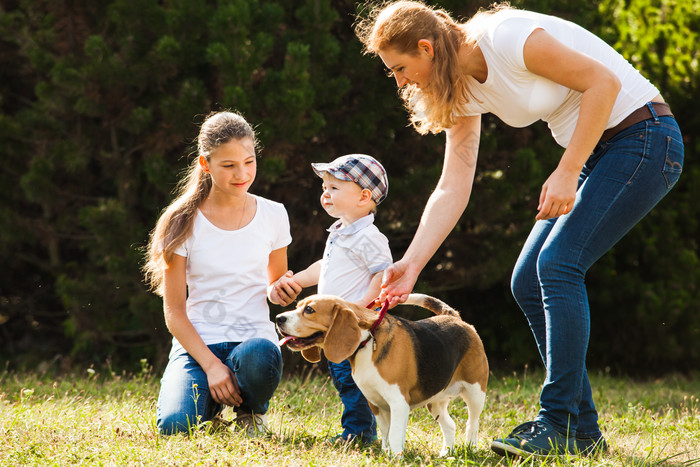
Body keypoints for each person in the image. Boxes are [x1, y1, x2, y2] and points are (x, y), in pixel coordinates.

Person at [355, 0, 684, 458]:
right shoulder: (460, 86)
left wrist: (568, 171)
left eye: (400, 68)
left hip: (645, 137)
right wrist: (412, 263)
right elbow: (454, 182)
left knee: (558, 265)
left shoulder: (508, 37)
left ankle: (557, 421)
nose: (401, 81)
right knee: (528, 278)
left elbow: (603, 83)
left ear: (427, 48)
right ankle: (582, 430)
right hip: (600, 151)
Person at [143, 110, 296, 436]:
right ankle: (210, 404)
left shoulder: (274, 214)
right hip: (199, 346)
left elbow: (274, 285)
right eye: (229, 165)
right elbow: (174, 312)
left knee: (261, 352)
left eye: (249, 161)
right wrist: (212, 367)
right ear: (205, 164)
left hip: (252, 344)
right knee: (174, 427)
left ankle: (250, 412)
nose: (242, 173)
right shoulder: (180, 221)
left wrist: (282, 291)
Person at [272, 154, 392, 446]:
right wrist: (297, 280)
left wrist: (363, 308)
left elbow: (383, 273)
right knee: (343, 380)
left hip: (356, 327)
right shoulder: (339, 233)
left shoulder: (368, 236)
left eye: (334, 188)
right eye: (324, 186)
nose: (325, 193)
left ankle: (360, 434)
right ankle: (360, 429)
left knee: (354, 384)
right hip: (334, 328)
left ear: (364, 197)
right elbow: (324, 268)